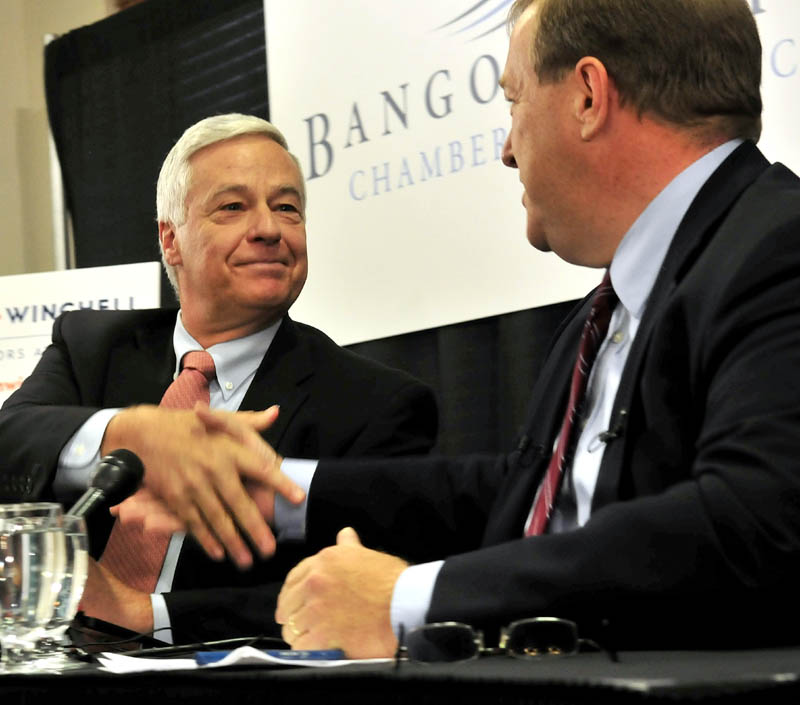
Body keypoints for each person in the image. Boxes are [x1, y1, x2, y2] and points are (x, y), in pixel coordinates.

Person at [115, 0, 800, 656]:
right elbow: (527, 492)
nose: (507, 149)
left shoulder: (779, 249)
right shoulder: (606, 313)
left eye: (514, 102)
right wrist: (277, 493)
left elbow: (757, 524)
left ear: (589, 96)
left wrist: (409, 600)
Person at [0, 114, 437, 643]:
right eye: (233, 207)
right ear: (171, 240)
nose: (269, 229)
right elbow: (10, 441)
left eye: (287, 208)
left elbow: (364, 591)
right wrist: (127, 434)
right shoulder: (93, 346)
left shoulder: (375, 405)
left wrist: (146, 612)